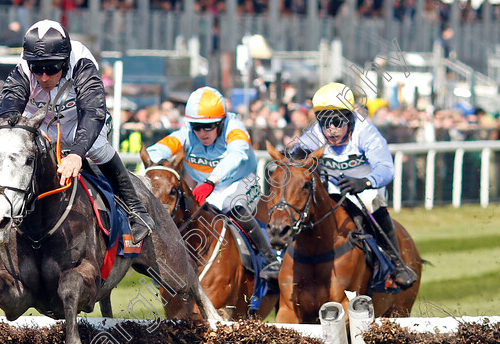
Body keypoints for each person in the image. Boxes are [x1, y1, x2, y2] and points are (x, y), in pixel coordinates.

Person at [0, 19, 154, 252]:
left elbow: (93, 112)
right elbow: (9, 109)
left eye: (51, 69)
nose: (44, 76)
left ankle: (137, 210)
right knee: (15, 148)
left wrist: (77, 154)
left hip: (81, 122)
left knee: (98, 148)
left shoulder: (82, 63)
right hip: (41, 123)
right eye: (38, 69)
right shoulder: (24, 67)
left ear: (65, 62)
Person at [145, 86, 280, 286]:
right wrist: (151, 160)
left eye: (209, 126)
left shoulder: (235, 128)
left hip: (239, 181)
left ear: (222, 122)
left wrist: (211, 181)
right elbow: (160, 148)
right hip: (205, 186)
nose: (201, 132)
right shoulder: (187, 132)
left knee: (234, 206)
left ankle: (271, 260)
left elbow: (237, 155)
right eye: (196, 127)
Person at [289, 82, 418, 289]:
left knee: (372, 204)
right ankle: (281, 259)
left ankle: (397, 265)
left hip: (365, 187)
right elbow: (296, 154)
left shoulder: (366, 132)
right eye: (325, 123)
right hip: (331, 188)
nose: (331, 130)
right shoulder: (315, 133)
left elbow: (386, 168)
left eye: (337, 122)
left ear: (349, 118)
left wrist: (364, 182)